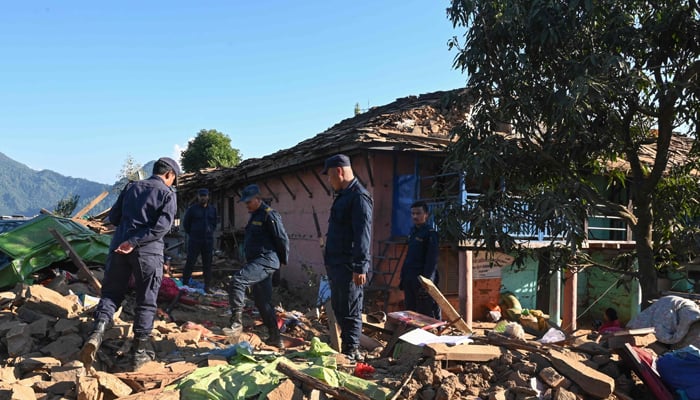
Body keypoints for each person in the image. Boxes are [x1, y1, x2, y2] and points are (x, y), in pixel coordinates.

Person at [79, 157, 180, 370]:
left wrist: (129, 232)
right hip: (147, 252)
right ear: (170, 174)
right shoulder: (167, 194)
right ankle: (139, 353)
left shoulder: (131, 187)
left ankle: (97, 332)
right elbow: (162, 227)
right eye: (174, 179)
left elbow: (114, 218)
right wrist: (135, 241)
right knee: (146, 300)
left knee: (111, 294)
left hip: (118, 247)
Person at [322, 154, 373, 362]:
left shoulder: (359, 197)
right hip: (336, 264)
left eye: (329, 176)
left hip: (349, 265)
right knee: (339, 306)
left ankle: (351, 351)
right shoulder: (343, 196)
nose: (329, 181)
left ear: (339, 172)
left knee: (351, 307)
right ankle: (348, 348)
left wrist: (360, 266)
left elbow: (363, 234)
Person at [225, 184, 289, 349]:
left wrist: (280, 264)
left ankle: (235, 324)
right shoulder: (255, 215)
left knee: (238, 281)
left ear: (258, 199)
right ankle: (276, 337)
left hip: (266, 260)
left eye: (249, 202)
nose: (246, 205)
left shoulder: (269, 215)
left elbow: (282, 240)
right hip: (258, 262)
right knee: (263, 302)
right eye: (245, 202)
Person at [399, 200, 441, 319]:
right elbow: (409, 257)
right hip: (410, 278)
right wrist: (403, 278)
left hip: (422, 279)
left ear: (426, 214)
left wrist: (426, 282)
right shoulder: (413, 232)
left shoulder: (430, 233)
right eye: (413, 214)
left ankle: (433, 335)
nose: (415, 216)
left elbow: (432, 261)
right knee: (411, 312)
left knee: (426, 313)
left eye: (418, 213)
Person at [182, 188, 218, 292]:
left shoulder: (212, 209)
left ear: (208, 196)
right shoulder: (192, 209)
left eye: (205, 196)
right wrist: (193, 233)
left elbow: (214, 223)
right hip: (195, 240)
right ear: (198, 197)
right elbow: (186, 224)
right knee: (190, 262)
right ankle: (185, 284)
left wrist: (210, 231)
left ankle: (207, 286)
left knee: (207, 264)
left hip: (208, 241)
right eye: (201, 196)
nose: (203, 198)